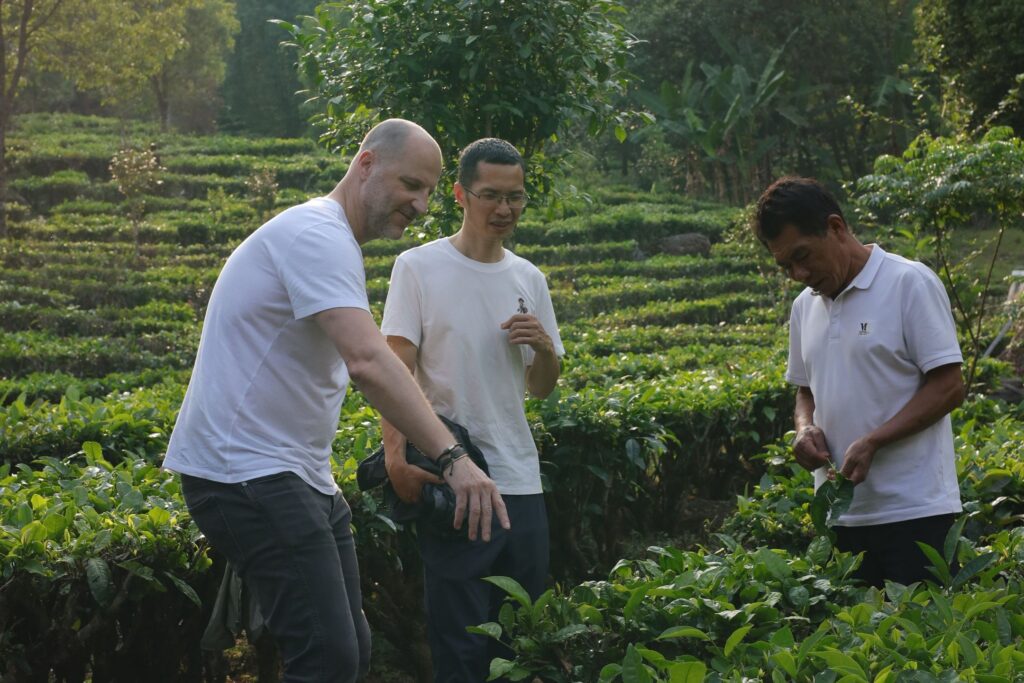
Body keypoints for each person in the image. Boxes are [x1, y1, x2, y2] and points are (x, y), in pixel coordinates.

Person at [163, 119, 509, 683]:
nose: (421, 205)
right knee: (327, 660)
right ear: (366, 165)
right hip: (248, 474)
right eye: (410, 184)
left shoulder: (329, 240)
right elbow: (370, 361)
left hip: (297, 476)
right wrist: (454, 459)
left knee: (349, 653)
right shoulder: (316, 235)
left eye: (428, 191)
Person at [380, 138, 564, 681]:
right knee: (460, 646)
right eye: (490, 196)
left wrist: (547, 349)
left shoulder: (529, 278)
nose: (504, 209)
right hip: (455, 479)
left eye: (516, 197)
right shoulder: (417, 267)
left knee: (523, 641)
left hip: (521, 480)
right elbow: (395, 370)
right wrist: (396, 460)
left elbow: (541, 389)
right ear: (460, 194)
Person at [752, 176, 965, 588]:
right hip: (839, 515)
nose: (798, 273)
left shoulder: (908, 283)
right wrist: (804, 428)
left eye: (803, 256)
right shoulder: (804, 307)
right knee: (856, 645)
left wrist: (874, 441)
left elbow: (950, 385)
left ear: (835, 227)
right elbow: (805, 390)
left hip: (915, 513)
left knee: (922, 644)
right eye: (785, 266)